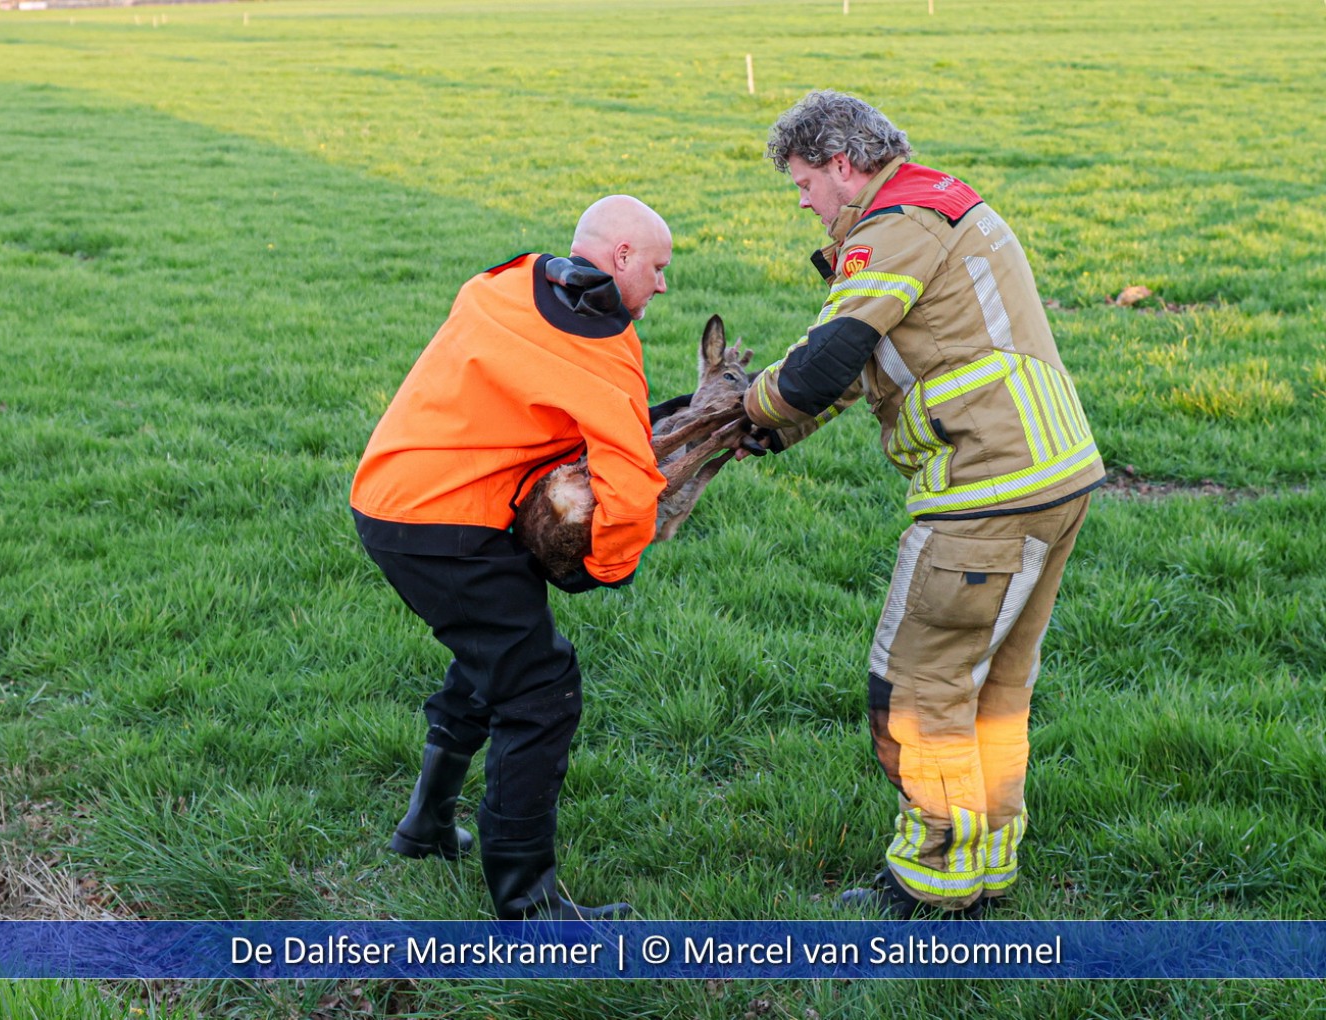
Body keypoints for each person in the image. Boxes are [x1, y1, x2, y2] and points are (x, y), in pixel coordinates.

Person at [742, 91, 1105, 918]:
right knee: (995, 687)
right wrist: (776, 435)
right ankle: (987, 859)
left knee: (915, 687)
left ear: (842, 163)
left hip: (990, 487)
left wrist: (748, 409)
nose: (801, 200)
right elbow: (872, 358)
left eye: (803, 182)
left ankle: (931, 879)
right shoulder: (934, 205)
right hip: (1054, 473)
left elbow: (819, 365)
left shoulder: (894, 224)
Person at [350, 195, 673, 920]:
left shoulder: (507, 280)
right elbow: (629, 477)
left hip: (390, 496)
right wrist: (606, 567)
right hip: (446, 525)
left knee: (490, 654)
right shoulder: (600, 339)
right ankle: (529, 907)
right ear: (621, 258)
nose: (660, 286)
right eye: (657, 268)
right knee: (539, 688)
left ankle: (425, 826)